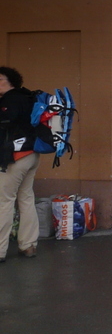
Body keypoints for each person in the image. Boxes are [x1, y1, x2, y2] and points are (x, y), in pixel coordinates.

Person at [0, 66, 40, 261]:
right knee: (26, 198)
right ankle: (29, 245)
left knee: (4, 201)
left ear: (10, 81)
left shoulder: (10, 99)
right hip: (31, 154)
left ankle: (0, 250)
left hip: (14, 157)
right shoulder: (27, 97)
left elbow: (6, 120)